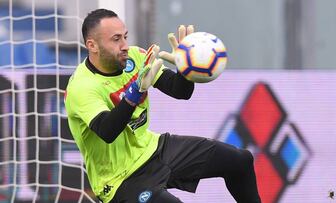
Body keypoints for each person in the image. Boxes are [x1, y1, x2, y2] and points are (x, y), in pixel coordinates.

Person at [65, 8, 261, 203]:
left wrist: (185, 67)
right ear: (92, 45)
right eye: (116, 39)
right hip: (121, 181)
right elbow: (108, 131)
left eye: (125, 37)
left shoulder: (135, 57)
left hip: (154, 149)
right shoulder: (82, 87)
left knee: (240, 161)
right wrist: (135, 92)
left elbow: (180, 92)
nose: (125, 45)